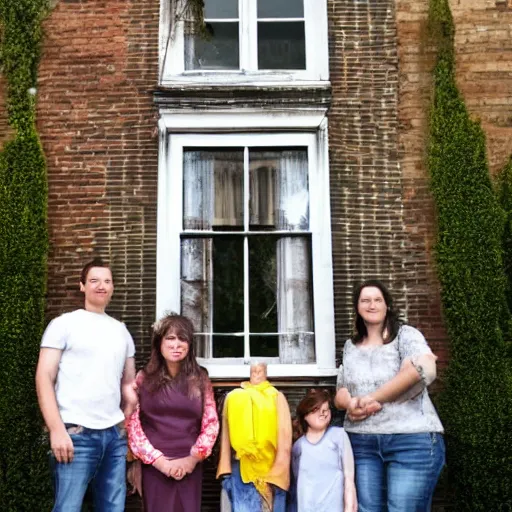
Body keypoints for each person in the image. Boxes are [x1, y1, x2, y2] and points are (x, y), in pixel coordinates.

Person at [35, 257, 137, 512]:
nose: (101, 286)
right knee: (67, 508)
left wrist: (126, 415)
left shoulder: (121, 330)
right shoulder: (63, 324)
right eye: (94, 280)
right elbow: (44, 378)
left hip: (114, 437)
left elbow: (128, 382)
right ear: (82, 286)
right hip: (75, 435)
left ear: (113, 287)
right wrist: (56, 429)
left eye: (107, 281)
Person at [334, 279, 445, 512]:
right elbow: (341, 390)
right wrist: (351, 403)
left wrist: (373, 398)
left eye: (377, 300)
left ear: (387, 306)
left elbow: (421, 370)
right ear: (357, 307)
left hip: (410, 439)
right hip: (362, 443)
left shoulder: (406, 336)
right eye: (365, 300)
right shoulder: (350, 346)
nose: (372, 305)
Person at [126, 313, 219, 512]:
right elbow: (133, 424)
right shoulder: (143, 378)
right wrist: (159, 462)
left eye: (182, 338)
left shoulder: (200, 379)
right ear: (159, 343)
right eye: (170, 338)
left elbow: (211, 423)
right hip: (154, 465)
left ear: (190, 344)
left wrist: (192, 459)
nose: (176, 344)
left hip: (190, 464)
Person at [217, 362, 292, 512]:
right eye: (253, 371)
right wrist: (225, 469)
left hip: (270, 466)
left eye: (260, 370)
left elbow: (284, 436)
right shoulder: (234, 397)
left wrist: (280, 469)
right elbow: (225, 435)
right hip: (241, 466)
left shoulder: (276, 396)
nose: (257, 373)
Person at [289, 389, 357, 512]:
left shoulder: (338, 436)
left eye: (326, 409)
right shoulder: (298, 446)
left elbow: (349, 479)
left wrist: (349, 506)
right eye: (316, 410)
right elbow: (296, 483)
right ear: (305, 415)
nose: (323, 413)